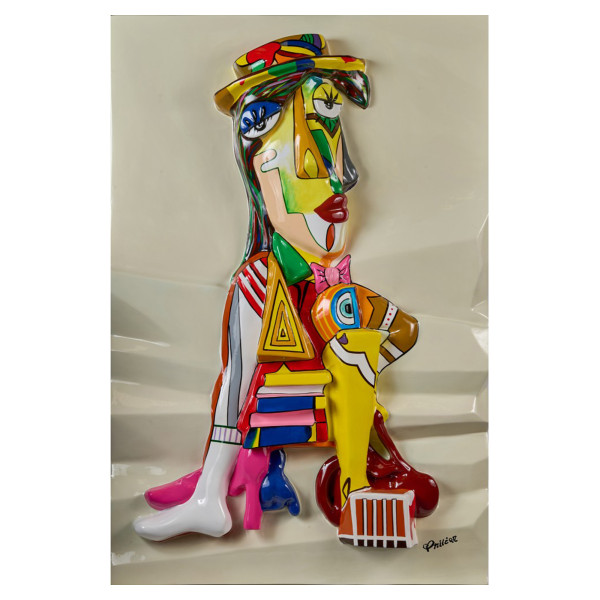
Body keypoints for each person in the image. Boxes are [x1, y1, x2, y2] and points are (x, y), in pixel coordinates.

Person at [134, 34, 435, 543]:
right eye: (303, 170)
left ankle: (215, 486)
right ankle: (212, 488)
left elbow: (402, 332)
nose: (339, 183)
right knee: (239, 380)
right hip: (287, 415)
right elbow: (237, 384)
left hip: (333, 429)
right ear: (262, 178)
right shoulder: (260, 280)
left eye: (335, 167)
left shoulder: (337, 284)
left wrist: (363, 362)